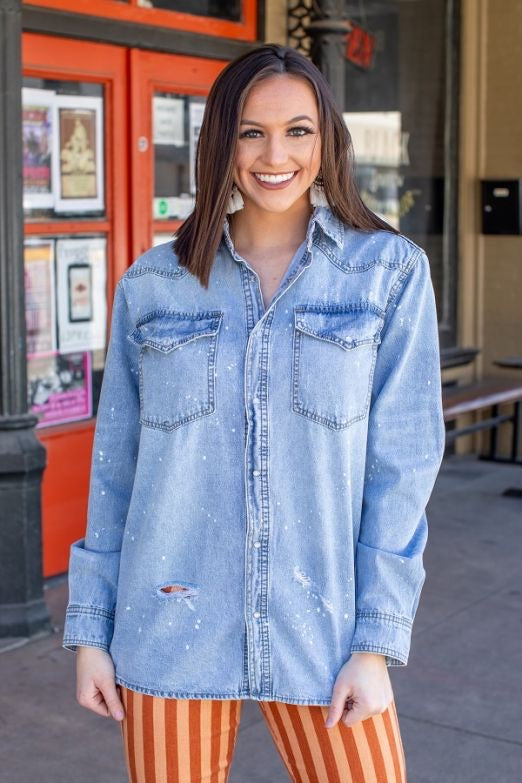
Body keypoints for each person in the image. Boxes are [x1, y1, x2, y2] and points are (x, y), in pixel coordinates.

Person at [63, 44, 446, 782]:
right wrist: (91, 631)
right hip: (169, 623)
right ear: (221, 142)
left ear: (326, 140)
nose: (277, 155)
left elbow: (401, 467)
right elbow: (116, 472)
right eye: (251, 131)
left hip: (327, 629)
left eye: (298, 130)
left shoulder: (388, 273)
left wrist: (375, 642)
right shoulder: (153, 286)